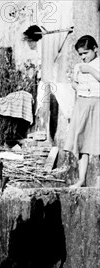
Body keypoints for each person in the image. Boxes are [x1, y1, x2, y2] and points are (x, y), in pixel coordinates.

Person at [64, 35, 100, 188]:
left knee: (98, 142)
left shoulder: (97, 65)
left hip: (98, 103)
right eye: (80, 54)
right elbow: (74, 82)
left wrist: (91, 70)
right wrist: (74, 83)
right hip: (82, 104)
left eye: (86, 53)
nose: (83, 57)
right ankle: (81, 180)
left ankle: (99, 181)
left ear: (95, 49)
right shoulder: (78, 66)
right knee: (82, 144)